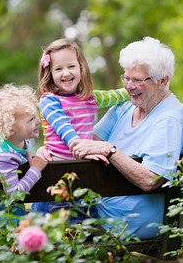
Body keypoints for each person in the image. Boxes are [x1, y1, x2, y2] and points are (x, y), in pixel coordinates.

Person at [70, 37, 183, 239]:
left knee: (50, 224)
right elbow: (86, 141)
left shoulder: (169, 119)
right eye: (126, 78)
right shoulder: (125, 106)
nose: (128, 86)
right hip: (100, 212)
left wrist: (110, 151)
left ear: (163, 80)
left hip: (135, 223)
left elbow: (151, 180)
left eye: (137, 80)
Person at [33, 38, 130, 219]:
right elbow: (64, 129)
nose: (66, 73)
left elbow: (115, 96)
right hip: (59, 177)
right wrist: (81, 147)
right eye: (58, 69)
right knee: (63, 227)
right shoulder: (49, 101)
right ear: (50, 73)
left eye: (71, 66)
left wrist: (134, 89)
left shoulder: (89, 98)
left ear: (81, 68)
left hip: (85, 174)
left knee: (88, 223)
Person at [0, 83, 48, 232]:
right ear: (10, 128)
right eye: (31, 120)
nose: (37, 121)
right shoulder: (5, 155)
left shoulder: (18, 139)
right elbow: (13, 195)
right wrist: (36, 169)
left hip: (7, 209)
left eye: (36, 115)